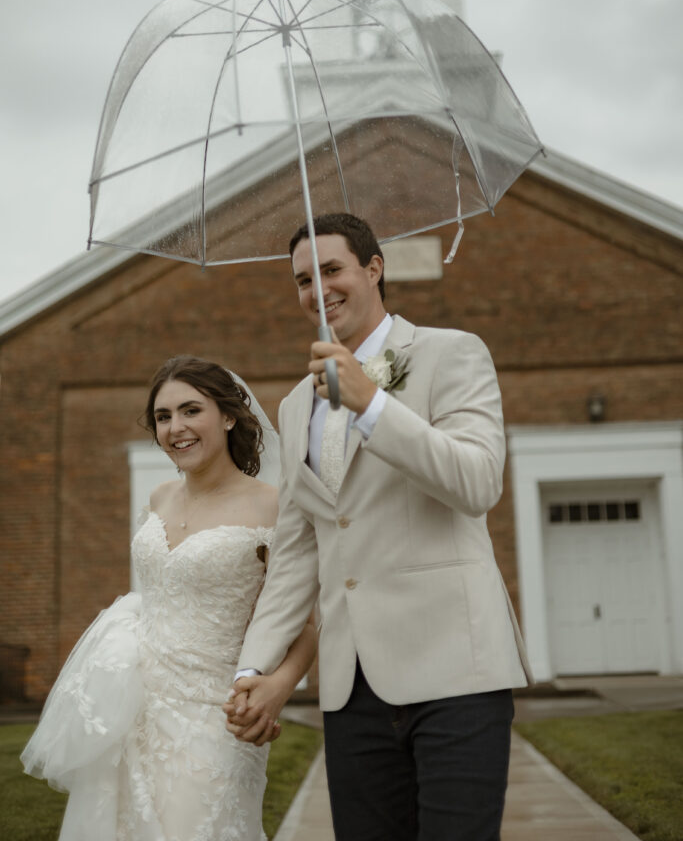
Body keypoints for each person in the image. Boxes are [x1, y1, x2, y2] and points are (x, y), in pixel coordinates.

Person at [225, 213, 533, 841]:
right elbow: (294, 553)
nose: (318, 291)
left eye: (331, 270)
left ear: (374, 268)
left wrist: (373, 405)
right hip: (350, 688)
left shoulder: (452, 352)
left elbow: (478, 483)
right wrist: (253, 668)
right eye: (303, 280)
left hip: (456, 671)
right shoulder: (294, 405)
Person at [22, 355, 316, 841]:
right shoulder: (158, 497)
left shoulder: (275, 504)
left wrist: (278, 689)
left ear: (227, 415)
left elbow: (306, 623)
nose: (176, 427)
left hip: (217, 715)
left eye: (190, 410)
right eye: (163, 416)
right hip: (132, 708)